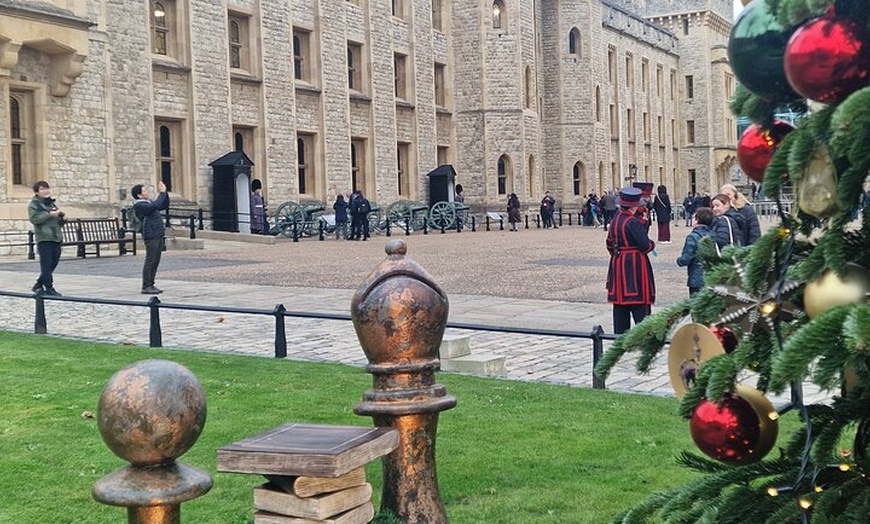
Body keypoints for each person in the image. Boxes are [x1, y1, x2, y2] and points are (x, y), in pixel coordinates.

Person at [606, 187, 656, 334]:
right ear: (634, 206)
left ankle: (620, 336)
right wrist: (652, 244)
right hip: (634, 265)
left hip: (617, 262)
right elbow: (645, 245)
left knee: (620, 304)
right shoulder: (632, 222)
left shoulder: (616, 219)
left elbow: (609, 243)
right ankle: (645, 336)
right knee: (639, 301)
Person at [27, 181, 64, 296]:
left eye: (47, 188)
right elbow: (35, 219)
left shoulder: (51, 204)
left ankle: (38, 284)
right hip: (44, 237)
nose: (46, 191)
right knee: (46, 264)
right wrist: (49, 215)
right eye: (42, 189)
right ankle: (49, 287)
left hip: (56, 237)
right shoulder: (34, 205)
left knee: (54, 262)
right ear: (37, 192)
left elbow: (57, 222)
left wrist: (62, 218)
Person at [132, 181, 169, 294]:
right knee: (150, 260)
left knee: (156, 260)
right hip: (150, 234)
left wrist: (165, 193)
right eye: (145, 190)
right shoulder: (140, 205)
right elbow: (155, 206)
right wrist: (161, 193)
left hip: (157, 233)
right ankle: (146, 285)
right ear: (139, 195)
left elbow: (163, 205)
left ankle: (151, 283)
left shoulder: (147, 202)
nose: (147, 192)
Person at [677, 207, 715, 296]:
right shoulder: (713, 235)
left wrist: (680, 260)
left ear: (697, 220)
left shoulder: (693, 237)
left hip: (696, 278)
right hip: (711, 276)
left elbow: (686, 257)